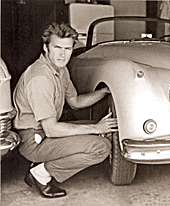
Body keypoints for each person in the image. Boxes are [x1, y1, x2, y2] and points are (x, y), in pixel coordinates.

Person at [13, 22, 118, 198]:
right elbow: (52, 129)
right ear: (46, 47)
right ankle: (40, 174)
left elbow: (75, 101)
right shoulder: (39, 78)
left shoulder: (59, 69)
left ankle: (45, 163)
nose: (63, 54)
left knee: (107, 132)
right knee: (100, 147)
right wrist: (96, 129)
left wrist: (105, 91)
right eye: (57, 47)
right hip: (33, 140)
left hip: (46, 133)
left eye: (67, 49)